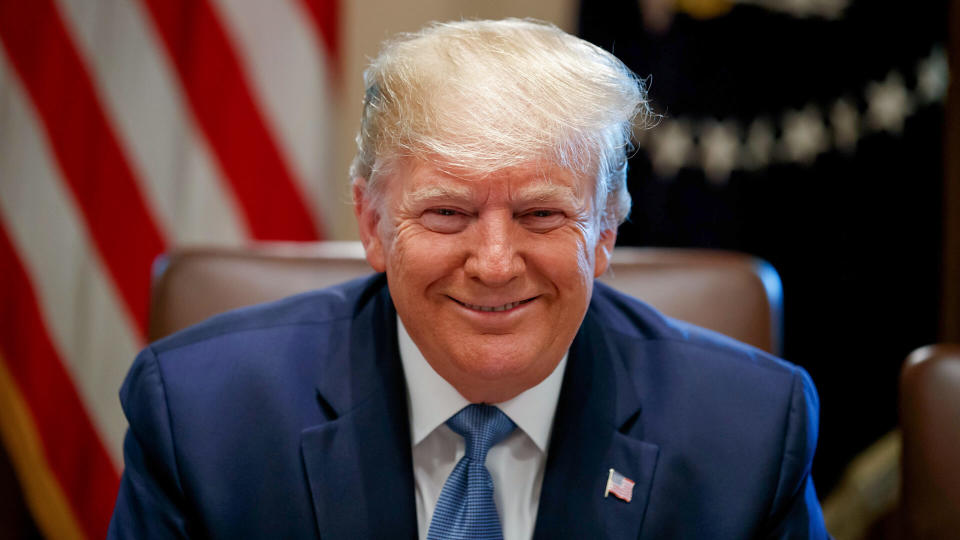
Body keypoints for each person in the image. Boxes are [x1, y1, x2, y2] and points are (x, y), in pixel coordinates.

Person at [108, 18, 828, 539]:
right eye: (448, 212)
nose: (493, 263)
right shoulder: (204, 418)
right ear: (372, 223)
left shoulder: (749, 431)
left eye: (541, 214)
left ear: (605, 229)